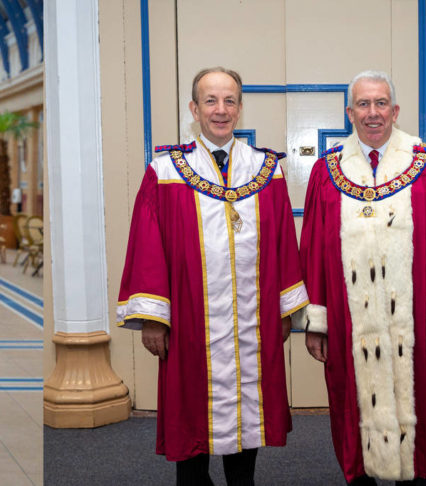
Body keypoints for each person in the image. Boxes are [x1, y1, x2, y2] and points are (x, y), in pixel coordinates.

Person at [116, 66, 309, 486]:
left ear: (239, 108)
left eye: (229, 101)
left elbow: (283, 247)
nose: (220, 110)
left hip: (252, 322)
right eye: (210, 101)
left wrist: (284, 311)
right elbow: (147, 250)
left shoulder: (266, 170)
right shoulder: (165, 172)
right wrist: (153, 318)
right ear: (194, 108)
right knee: (191, 417)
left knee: (249, 415)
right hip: (190, 322)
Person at [299, 70, 426, 485]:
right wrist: (316, 323)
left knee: (417, 421)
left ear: (395, 111)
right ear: (349, 112)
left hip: (415, 324)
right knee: (351, 409)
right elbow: (313, 255)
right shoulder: (327, 173)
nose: (372, 113)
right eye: (363, 104)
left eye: (381, 104)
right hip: (348, 324)